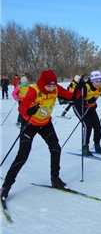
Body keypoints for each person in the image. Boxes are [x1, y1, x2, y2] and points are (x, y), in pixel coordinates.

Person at [1, 70, 73, 201]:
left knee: (56, 148)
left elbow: (69, 95)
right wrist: (29, 111)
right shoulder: (34, 90)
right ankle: (6, 186)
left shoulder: (55, 88)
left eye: (53, 86)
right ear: (43, 84)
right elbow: (22, 107)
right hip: (30, 125)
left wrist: (79, 91)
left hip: (45, 124)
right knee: (23, 155)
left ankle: (55, 178)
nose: (51, 89)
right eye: (49, 86)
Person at [72, 71, 101, 157]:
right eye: (96, 81)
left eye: (100, 81)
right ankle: (85, 147)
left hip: (91, 108)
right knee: (88, 125)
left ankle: (97, 145)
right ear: (92, 81)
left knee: (97, 126)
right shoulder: (85, 87)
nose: (98, 84)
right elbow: (76, 101)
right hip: (80, 108)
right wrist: (86, 101)